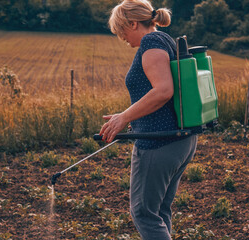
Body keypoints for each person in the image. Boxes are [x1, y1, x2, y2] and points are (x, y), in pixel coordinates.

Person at [99, 0, 198, 239]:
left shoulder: (151, 42)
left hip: (158, 143)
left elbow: (164, 90)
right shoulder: (164, 39)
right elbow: (156, 92)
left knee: (144, 213)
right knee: (159, 212)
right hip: (178, 140)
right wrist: (128, 115)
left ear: (133, 23)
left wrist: (125, 117)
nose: (120, 36)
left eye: (121, 29)